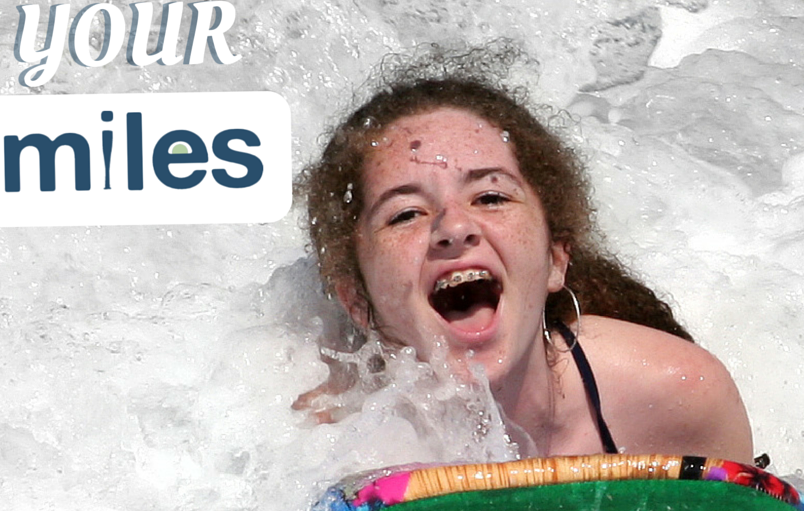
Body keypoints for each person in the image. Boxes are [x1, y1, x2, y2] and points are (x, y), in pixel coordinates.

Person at [294, 49, 754, 462]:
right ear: (357, 301)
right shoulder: (327, 445)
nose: (453, 227)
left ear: (556, 258)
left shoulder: (677, 399)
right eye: (406, 214)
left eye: (491, 197)